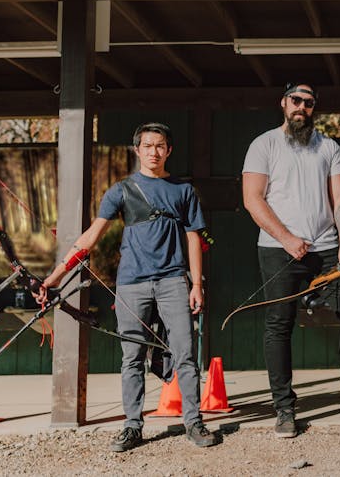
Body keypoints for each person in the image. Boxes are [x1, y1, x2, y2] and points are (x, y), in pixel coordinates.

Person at [38, 122, 218, 452]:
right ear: (137, 150)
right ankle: (132, 425)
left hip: (174, 282)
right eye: (147, 146)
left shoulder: (183, 191)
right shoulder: (120, 190)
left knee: (186, 354)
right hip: (131, 284)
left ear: (169, 150)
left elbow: (194, 238)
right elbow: (89, 238)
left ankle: (194, 422)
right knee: (132, 357)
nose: (154, 151)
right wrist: (54, 278)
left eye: (160, 145)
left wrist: (196, 284)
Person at [242, 82, 340, 438]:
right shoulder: (263, 144)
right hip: (278, 248)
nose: (302, 107)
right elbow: (253, 199)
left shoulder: (328, 146)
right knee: (279, 324)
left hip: (328, 247)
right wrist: (286, 238)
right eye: (296, 100)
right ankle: (284, 409)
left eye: (309, 103)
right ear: (283, 103)